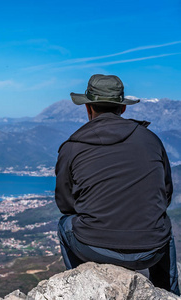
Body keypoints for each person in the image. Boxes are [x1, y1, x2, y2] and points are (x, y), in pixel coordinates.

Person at [55, 74, 180, 295]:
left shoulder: (72, 147)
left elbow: (66, 205)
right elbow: (166, 195)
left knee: (65, 224)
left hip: (93, 247)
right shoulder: (152, 140)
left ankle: (84, 290)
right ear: (122, 109)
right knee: (163, 224)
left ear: (88, 108)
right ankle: (168, 293)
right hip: (150, 251)